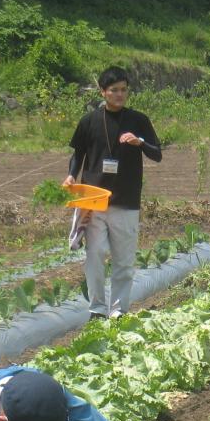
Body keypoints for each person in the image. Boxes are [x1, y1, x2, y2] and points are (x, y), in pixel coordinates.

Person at [64, 66, 162, 319]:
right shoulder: (89, 121)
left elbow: (157, 154)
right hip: (95, 201)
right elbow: (78, 154)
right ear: (103, 92)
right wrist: (71, 175)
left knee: (124, 260)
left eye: (123, 90)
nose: (120, 95)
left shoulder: (138, 120)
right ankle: (97, 309)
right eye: (114, 90)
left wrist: (139, 142)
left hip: (126, 200)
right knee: (95, 254)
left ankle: (118, 310)